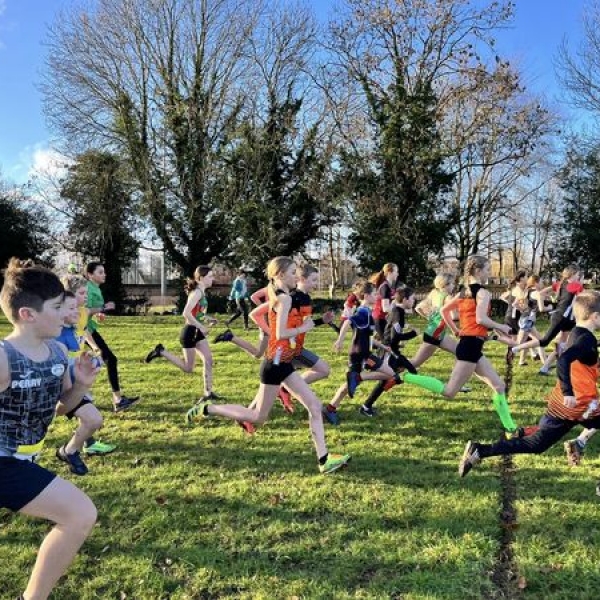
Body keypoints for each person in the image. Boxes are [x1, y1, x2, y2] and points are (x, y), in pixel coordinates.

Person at [185, 256, 350, 474]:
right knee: (257, 417)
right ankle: (207, 409)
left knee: (313, 405)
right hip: (275, 363)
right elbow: (280, 333)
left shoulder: (276, 291)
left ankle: (324, 459)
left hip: (282, 360)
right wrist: (304, 327)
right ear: (280, 275)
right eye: (292, 273)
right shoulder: (285, 299)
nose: (296, 277)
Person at [0, 258, 99, 600]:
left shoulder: (58, 353)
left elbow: (64, 407)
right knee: (80, 513)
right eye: (58, 307)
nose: (66, 314)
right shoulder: (4, 357)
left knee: (79, 514)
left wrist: (81, 386)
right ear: (28, 314)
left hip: (23, 463)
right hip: (3, 463)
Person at [459, 290, 600, 480]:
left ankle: (497, 444)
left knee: (539, 441)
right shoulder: (586, 340)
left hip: (569, 402)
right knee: (536, 445)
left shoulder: (577, 333)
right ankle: (480, 450)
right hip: (577, 403)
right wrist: (569, 392)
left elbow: (583, 365)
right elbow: (564, 360)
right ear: (596, 316)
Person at [402, 255, 525, 438]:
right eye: (487, 269)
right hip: (469, 348)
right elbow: (480, 319)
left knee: (498, 386)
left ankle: (510, 429)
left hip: (472, 345)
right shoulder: (482, 293)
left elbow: (445, 312)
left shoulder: (462, 292)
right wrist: (501, 327)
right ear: (477, 271)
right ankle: (404, 376)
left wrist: (456, 331)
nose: (489, 273)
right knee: (450, 391)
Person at [54, 287, 115, 476]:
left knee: (92, 418)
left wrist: (91, 351)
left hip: (74, 380)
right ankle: (72, 449)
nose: (77, 311)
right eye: (71, 308)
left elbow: (85, 328)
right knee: (93, 418)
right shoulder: (53, 335)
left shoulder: (75, 322)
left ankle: (73, 449)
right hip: (64, 385)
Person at [145, 266, 220, 401]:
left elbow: (196, 313)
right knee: (188, 368)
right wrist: (201, 327)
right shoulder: (197, 293)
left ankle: (208, 393)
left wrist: (208, 318)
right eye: (210, 276)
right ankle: (161, 351)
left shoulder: (201, 292)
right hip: (190, 332)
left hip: (197, 332)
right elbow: (185, 313)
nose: (212, 279)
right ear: (201, 278)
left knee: (208, 360)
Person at [327, 281, 401, 419]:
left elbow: (368, 337)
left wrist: (383, 346)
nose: (377, 296)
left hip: (363, 353)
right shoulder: (363, 312)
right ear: (366, 296)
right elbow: (348, 321)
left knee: (351, 384)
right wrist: (340, 340)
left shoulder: (368, 312)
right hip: (360, 355)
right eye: (374, 294)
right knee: (390, 374)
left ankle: (331, 408)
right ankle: (357, 379)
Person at [85, 262, 139, 412]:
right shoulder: (88, 288)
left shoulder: (95, 288)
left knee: (101, 361)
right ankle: (117, 400)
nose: (104, 274)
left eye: (104, 272)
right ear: (90, 275)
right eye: (100, 272)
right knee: (108, 359)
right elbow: (83, 312)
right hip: (82, 331)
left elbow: (90, 313)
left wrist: (98, 314)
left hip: (89, 328)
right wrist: (103, 308)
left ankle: (117, 399)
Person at [510, 264, 584, 375]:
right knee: (544, 341)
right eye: (578, 274)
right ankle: (517, 348)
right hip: (560, 318)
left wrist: (546, 298)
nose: (579, 277)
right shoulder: (576, 285)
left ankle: (545, 368)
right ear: (572, 274)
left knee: (562, 345)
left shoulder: (560, 284)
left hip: (568, 320)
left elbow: (541, 292)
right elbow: (585, 298)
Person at [370, 263, 399, 340]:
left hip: (384, 318)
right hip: (380, 318)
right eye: (396, 271)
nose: (398, 274)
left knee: (387, 344)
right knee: (387, 344)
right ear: (389, 273)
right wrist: (398, 308)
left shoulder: (389, 286)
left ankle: (375, 343)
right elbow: (385, 308)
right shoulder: (385, 287)